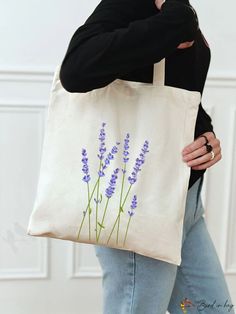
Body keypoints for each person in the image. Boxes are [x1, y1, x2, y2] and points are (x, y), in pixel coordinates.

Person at [59, 0, 234, 313]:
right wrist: (177, 18)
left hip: (186, 203)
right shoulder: (132, 3)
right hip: (140, 205)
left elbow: (180, 95)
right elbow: (75, 70)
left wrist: (205, 136)